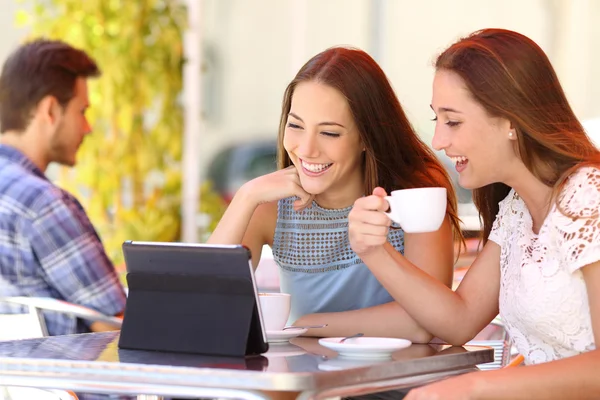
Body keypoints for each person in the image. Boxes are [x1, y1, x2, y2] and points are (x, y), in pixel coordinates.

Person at [349, 28, 600, 398]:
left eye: (453, 121)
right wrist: (375, 251)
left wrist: (476, 386)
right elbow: (460, 320)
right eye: (437, 120)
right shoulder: (518, 207)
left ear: (511, 121)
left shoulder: (588, 195)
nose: (438, 141)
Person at [208, 46, 463, 340]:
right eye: (295, 126)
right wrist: (247, 195)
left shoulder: (414, 193)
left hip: (403, 383)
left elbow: (426, 324)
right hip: (308, 382)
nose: (306, 149)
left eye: (329, 132)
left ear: (367, 137)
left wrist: (310, 324)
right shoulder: (271, 207)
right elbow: (205, 307)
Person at [0, 39, 126, 336]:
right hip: (60, 381)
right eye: (82, 111)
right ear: (51, 109)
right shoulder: (43, 205)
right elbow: (120, 328)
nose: (88, 127)